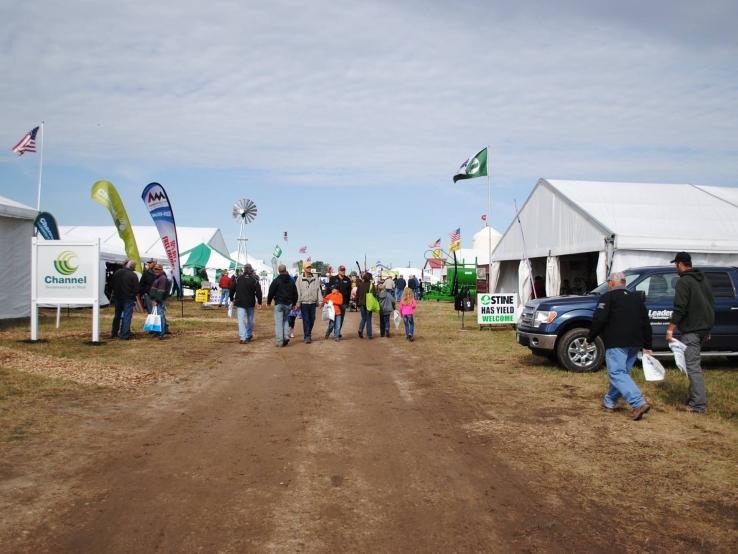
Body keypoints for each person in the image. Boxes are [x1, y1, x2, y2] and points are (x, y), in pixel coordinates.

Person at [586, 272, 653, 420]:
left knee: (616, 373)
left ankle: (638, 402)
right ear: (624, 283)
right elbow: (646, 323)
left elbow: (599, 319)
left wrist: (590, 337)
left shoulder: (608, 297)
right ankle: (609, 402)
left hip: (617, 342)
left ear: (611, 283)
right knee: (622, 374)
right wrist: (647, 345)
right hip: (635, 343)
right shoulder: (636, 298)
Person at [666, 252, 715, 414]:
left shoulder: (684, 282)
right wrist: (708, 328)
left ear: (680, 264)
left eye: (676, 264)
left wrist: (670, 329)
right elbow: (710, 303)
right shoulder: (703, 279)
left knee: (693, 366)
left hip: (692, 330)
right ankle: (693, 398)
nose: (675, 267)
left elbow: (680, 307)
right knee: (692, 364)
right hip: (703, 328)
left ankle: (698, 405)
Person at [267, 264, 298, 347]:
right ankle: (285, 336)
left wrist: (269, 302)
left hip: (279, 304)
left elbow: (271, 292)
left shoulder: (276, 280)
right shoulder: (291, 280)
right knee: (285, 321)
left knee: (279, 323)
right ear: (285, 270)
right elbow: (295, 293)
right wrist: (294, 303)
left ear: (279, 271)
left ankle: (280, 341)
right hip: (288, 304)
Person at [230, 264, 262, 343]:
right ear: (251, 270)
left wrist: (231, 298)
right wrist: (259, 302)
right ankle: (248, 335)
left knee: (241, 320)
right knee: (250, 319)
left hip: (240, 302)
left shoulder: (238, 278)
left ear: (244, 270)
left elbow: (232, 288)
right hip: (250, 302)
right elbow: (259, 292)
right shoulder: (254, 280)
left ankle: (243, 337)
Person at [110, 260, 140, 340]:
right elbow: (137, 289)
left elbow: (111, 284)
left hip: (118, 297)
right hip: (128, 298)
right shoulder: (133, 275)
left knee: (117, 315)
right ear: (133, 267)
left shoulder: (117, 272)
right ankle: (125, 334)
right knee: (127, 316)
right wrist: (132, 295)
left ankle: (114, 333)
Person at [296, 262, 323, 343]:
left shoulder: (315, 278)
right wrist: (298, 302)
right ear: (304, 268)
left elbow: (318, 290)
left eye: (310, 267)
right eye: (307, 267)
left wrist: (320, 300)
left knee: (312, 319)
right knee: (306, 320)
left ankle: (308, 333)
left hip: (313, 303)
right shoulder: (299, 278)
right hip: (304, 303)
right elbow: (297, 291)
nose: (309, 269)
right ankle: (307, 336)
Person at [328, 265, 352, 336]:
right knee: (333, 318)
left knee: (341, 318)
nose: (343, 271)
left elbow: (349, 291)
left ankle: (337, 332)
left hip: (343, 303)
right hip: (334, 302)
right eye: (341, 270)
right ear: (338, 271)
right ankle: (329, 330)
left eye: (344, 270)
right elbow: (328, 289)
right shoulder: (333, 279)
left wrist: (348, 302)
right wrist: (326, 300)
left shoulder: (347, 280)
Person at [149, 264, 170, 340]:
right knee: (160, 316)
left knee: (160, 317)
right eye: (155, 269)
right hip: (158, 300)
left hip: (159, 301)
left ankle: (161, 334)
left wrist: (156, 300)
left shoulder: (162, 278)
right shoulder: (159, 277)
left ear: (161, 270)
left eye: (158, 269)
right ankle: (159, 332)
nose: (156, 270)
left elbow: (161, 291)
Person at [355, 272, 374, 339]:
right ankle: (369, 334)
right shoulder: (371, 285)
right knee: (369, 319)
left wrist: (357, 304)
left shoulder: (360, 285)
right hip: (369, 304)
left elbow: (357, 295)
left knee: (363, 318)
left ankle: (360, 329)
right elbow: (374, 295)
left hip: (361, 303)